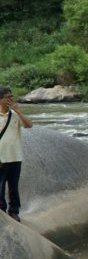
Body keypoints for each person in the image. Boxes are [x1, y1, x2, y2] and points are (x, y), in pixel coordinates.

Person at [0, 86, 32, 222]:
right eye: (8, 97)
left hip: (15, 157)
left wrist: (18, 111)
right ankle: (1, 210)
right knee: (0, 186)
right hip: (0, 157)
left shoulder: (15, 115)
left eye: (11, 96)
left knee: (13, 185)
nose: (11, 99)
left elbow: (29, 125)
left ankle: (14, 211)